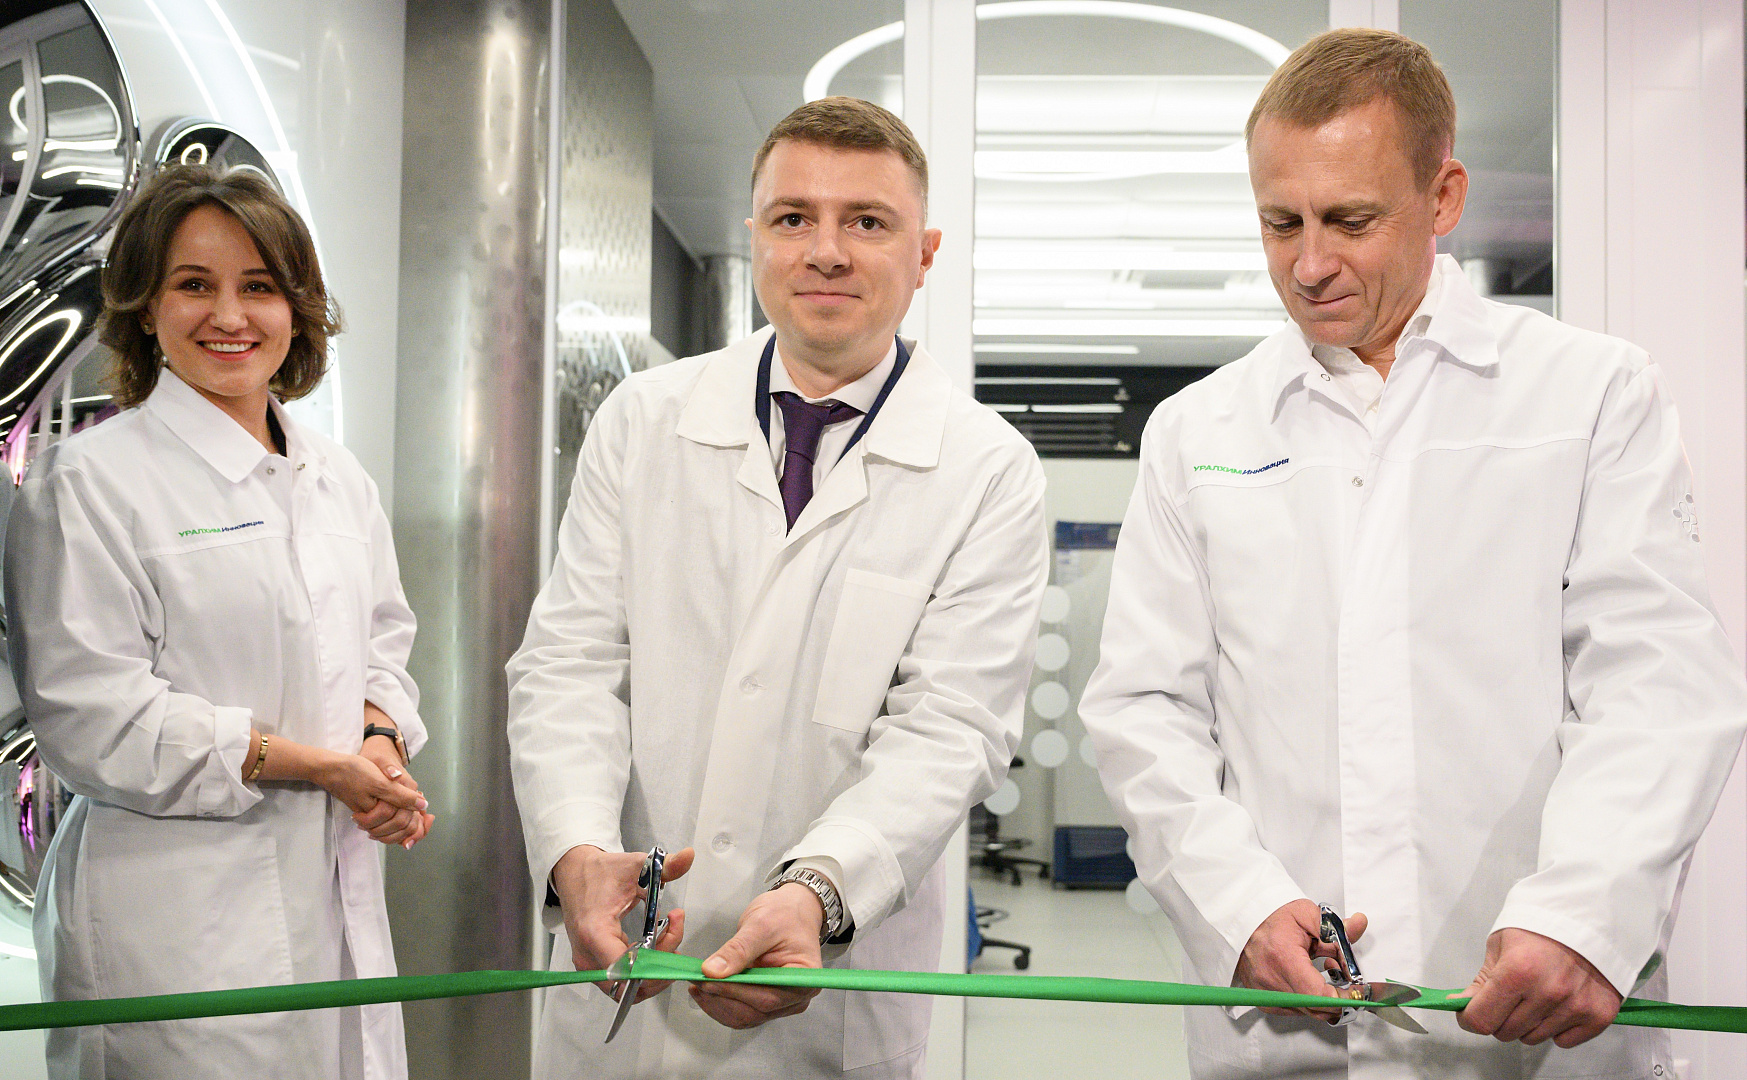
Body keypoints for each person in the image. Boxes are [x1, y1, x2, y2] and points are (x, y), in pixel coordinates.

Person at [1079, 27, 1747, 1080]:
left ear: (1443, 197)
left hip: (1533, 1024)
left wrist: (1581, 916)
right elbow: (1143, 710)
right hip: (1290, 1033)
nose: (1309, 264)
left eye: (1350, 220)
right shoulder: (1197, 430)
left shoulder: (1589, 393)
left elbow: (1657, 683)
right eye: (1280, 223)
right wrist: (1239, 905)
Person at [507, 96, 1048, 1079]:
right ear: (755, 236)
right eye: (794, 218)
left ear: (923, 254)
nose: (825, 251)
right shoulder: (642, 420)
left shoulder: (986, 468)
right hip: (629, 972)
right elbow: (571, 663)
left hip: (829, 993)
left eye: (867, 221)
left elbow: (951, 727)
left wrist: (821, 892)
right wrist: (576, 850)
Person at [4, 164, 435, 1080]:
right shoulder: (90, 481)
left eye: (259, 287)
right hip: (174, 925)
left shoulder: (336, 477)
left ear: (298, 310)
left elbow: (382, 646)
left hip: (334, 900)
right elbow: (94, 717)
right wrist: (315, 765)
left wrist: (379, 742)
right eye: (194, 285)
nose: (229, 316)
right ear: (145, 308)